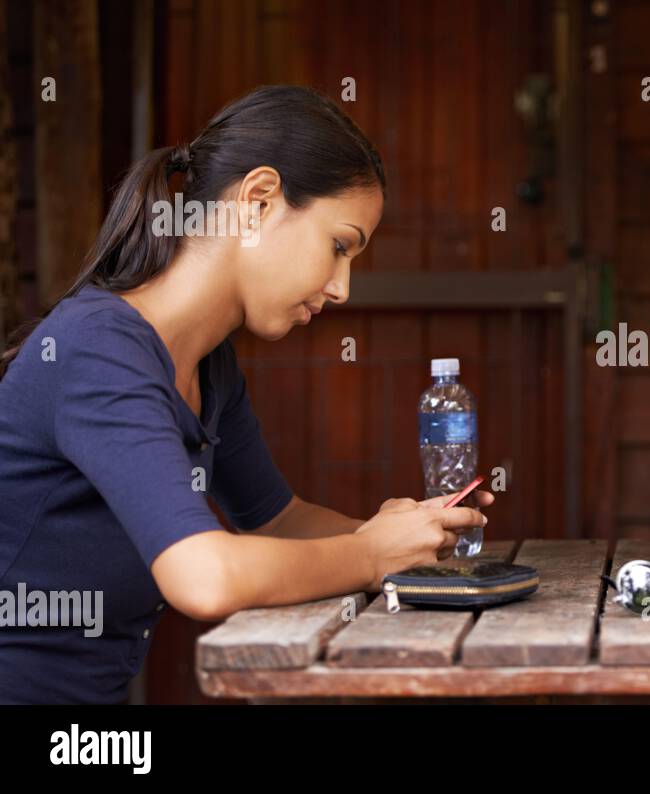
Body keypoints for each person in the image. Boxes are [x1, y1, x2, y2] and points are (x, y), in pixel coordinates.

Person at [0, 86, 490, 704]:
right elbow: (203, 576)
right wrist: (369, 555)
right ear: (257, 201)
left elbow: (278, 519)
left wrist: (408, 536)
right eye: (339, 246)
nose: (341, 288)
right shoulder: (99, 351)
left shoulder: (210, 365)